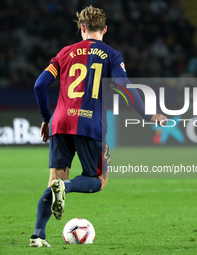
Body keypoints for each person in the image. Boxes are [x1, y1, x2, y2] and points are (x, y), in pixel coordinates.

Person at [30, 5, 167, 247]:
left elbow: (40, 85)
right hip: (89, 124)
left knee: (54, 181)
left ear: (81, 28)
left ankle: (38, 235)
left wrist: (45, 118)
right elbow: (124, 86)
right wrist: (147, 115)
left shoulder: (64, 53)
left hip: (60, 123)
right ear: (105, 29)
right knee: (99, 180)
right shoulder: (112, 55)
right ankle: (68, 187)